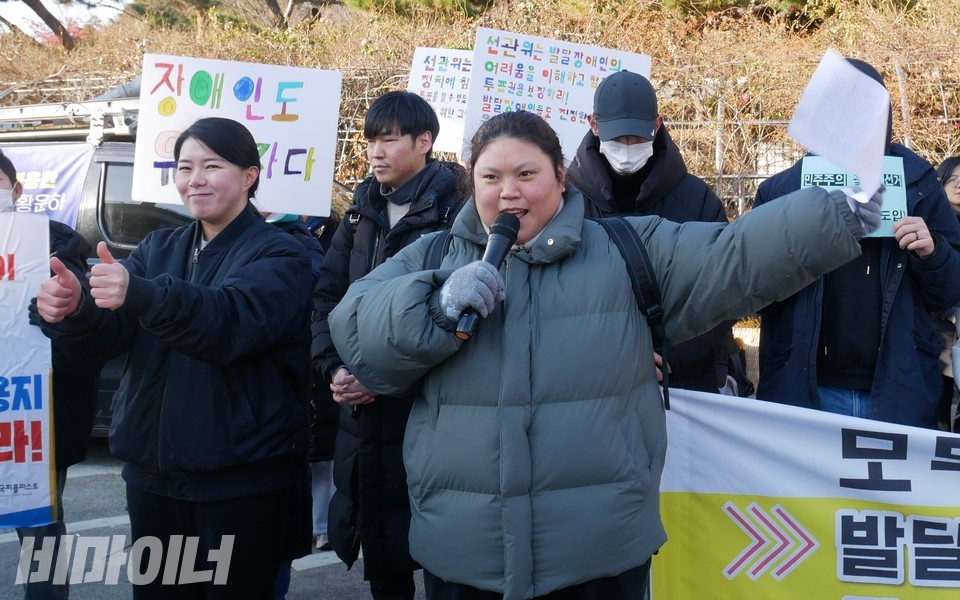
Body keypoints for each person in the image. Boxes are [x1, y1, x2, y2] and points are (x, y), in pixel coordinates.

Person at [326, 110, 882, 599]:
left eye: (527, 174)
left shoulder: (629, 249)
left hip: (597, 554)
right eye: (491, 177)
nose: (509, 193)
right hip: (464, 553)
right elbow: (356, 327)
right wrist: (438, 306)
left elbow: (731, 255)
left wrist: (833, 217)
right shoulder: (432, 256)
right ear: (473, 182)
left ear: (560, 176)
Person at [31, 117, 314, 598]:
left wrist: (142, 293)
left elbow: (227, 322)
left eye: (212, 165)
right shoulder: (158, 246)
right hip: (153, 482)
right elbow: (109, 335)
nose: (195, 179)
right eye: (184, 167)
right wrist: (76, 308)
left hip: (240, 486)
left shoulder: (281, 255)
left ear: (250, 175)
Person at [312, 90, 466, 599]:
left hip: (430, 407)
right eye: (371, 141)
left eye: (389, 140)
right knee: (382, 547)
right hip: (363, 413)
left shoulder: (459, 212)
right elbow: (328, 298)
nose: (375, 152)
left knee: (447, 554)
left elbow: (460, 316)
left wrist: (383, 373)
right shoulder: (361, 212)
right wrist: (335, 368)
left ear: (425, 141)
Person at [752, 59, 960, 429]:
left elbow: (951, 292)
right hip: (806, 389)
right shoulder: (780, 191)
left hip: (901, 389)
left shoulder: (920, 185)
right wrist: (790, 248)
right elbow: (753, 295)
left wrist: (933, 253)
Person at [566, 69, 735, 394]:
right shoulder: (566, 201)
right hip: (589, 382)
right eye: (618, 139)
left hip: (683, 384)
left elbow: (727, 287)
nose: (628, 147)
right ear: (594, 125)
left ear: (657, 126)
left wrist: (676, 355)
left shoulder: (697, 200)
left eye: (638, 137)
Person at [3, 148, 100, 600]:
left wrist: (63, 313)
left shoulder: (57, 252)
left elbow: (84, 346)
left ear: (16, 190)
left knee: (39, 533)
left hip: (31, 426)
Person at [936, 156, 960, 431]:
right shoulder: (933, 226)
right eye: (952, 179)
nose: (959, 185)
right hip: (941, 330)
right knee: (940, 406)